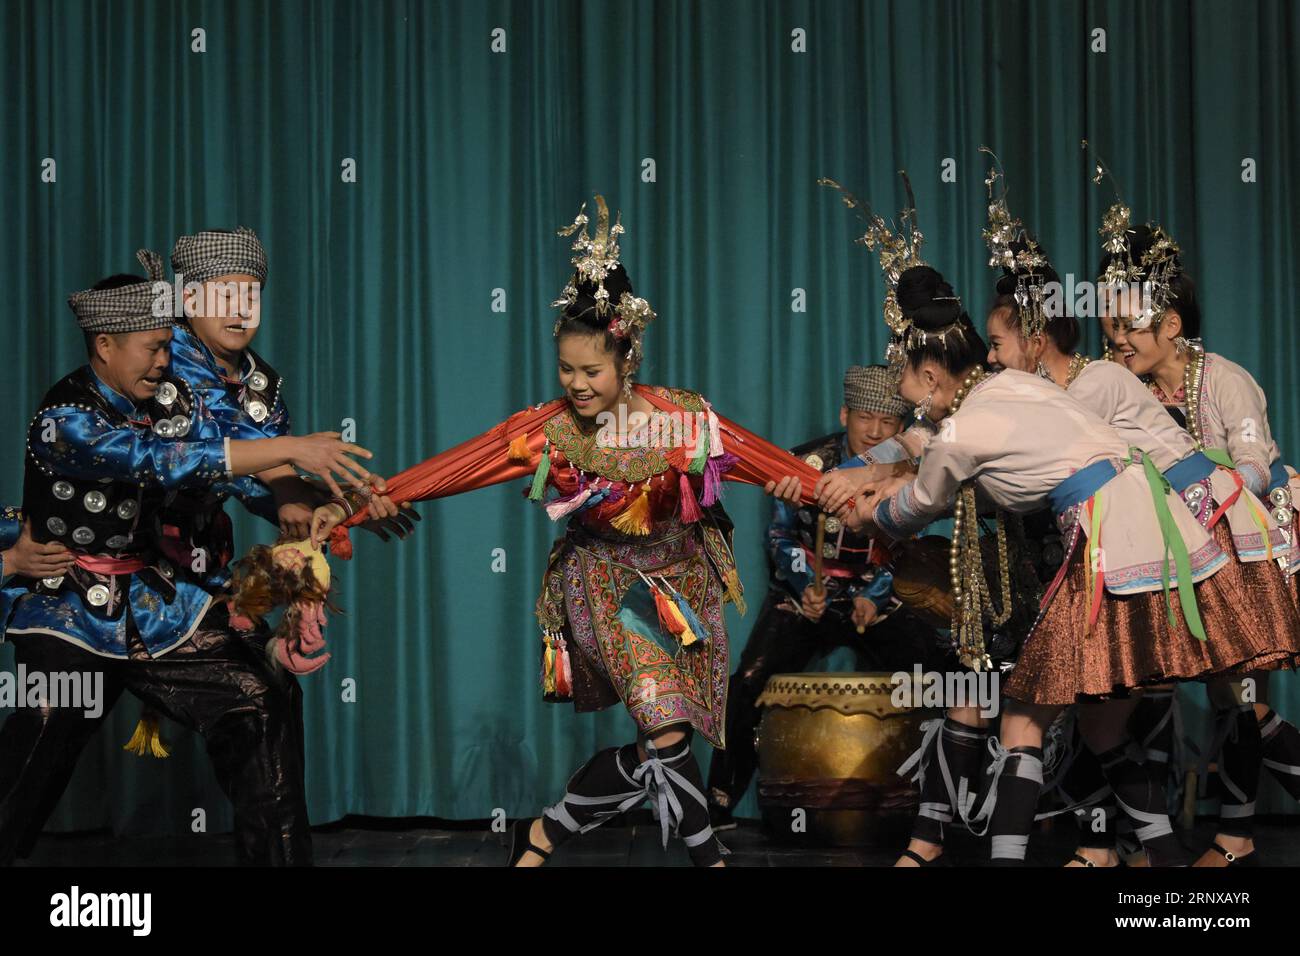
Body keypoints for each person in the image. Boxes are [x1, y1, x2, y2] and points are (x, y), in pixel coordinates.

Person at [310, 196, 834, 867]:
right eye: (567, 369)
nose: (577, 384)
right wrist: (370, 500)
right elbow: (459, 466)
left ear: (627, 359)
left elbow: (765, 462)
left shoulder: (684, 420)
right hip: (604, 586)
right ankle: (713, 861)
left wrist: (831, 493)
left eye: (591, 371)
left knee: (660, 740)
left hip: (683, 586)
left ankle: (546, 834)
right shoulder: (548, 431)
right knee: (667, 727)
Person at [0, 251, 377, 865]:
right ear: (103, 346)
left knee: (258, 700)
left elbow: (225, 465)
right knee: (33, 758)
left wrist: (324, 498)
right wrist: (292, 452)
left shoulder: (170, 401)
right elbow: (158, 459)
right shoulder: (65, 420)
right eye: (151, 348)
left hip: (158, 609)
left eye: (167, 348)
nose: (163, 360)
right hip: (66, 615)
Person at [705, 364, 949, 829]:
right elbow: (779, 535)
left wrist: (877, 595)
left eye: (887, 423)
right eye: (864, 418)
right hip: (806, 597)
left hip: (881, 597)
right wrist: (806, 588)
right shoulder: (805, 463)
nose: (874, 431)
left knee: (941, 675)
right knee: (748, 679)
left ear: (902, 429)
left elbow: (911, 546)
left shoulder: (910, 470)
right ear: (845, 414)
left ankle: (941, 807)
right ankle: (719, 798)